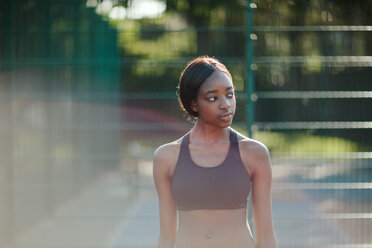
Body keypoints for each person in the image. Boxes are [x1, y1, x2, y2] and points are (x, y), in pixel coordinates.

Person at [153, 56, 277, 248]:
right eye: (213, 98)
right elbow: (166, 238)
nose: (226, 104)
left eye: (230, 94)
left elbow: (267, 237)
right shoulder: (166, 157)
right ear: (194, 104)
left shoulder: (255, 153)